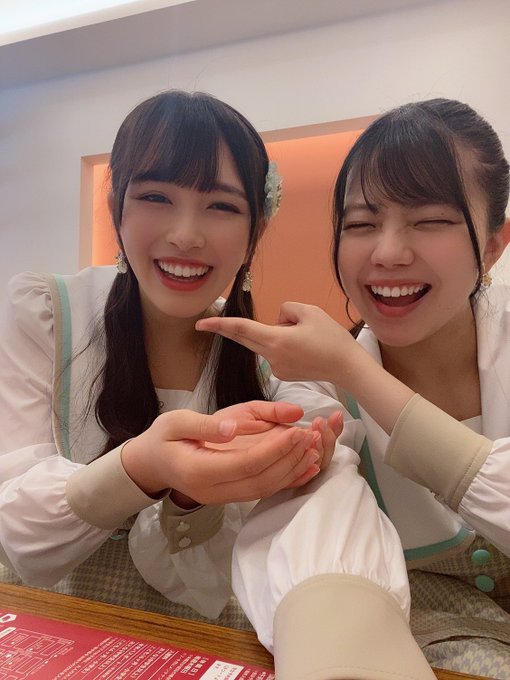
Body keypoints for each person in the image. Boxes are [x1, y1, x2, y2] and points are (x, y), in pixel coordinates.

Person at [0, 89, 349, 630]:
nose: (185, 235)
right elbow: (18, 533)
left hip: (191, 634)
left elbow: (224, 578)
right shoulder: (46, 313)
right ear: (116, 209)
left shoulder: (268, 369)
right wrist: (144, 467)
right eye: (156, 197)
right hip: (48, 625)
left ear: (255, 230)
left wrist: (193, 496)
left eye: (221, 206)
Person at [197, 98, 510, 677]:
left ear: (493, 243)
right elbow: (308, 537)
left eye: (430, 220)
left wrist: (356, 368)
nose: (387, 253)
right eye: (361, 225)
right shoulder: (317, 391)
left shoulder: (342, 368)